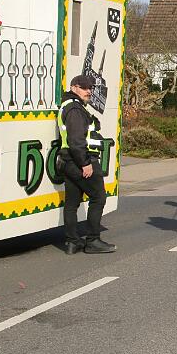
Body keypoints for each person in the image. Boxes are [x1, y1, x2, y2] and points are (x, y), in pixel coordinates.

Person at [56, 74, 115, 254]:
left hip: (67, 161)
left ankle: (72, 242)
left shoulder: (68, 105)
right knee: (98, 198)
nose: (88, 91)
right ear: (74, 87)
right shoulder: (75, 109)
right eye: (84, 87)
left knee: (72, 203)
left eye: (90, 88)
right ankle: (93, 241)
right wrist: (85, 163)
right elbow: (76, 140)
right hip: (80, 161)